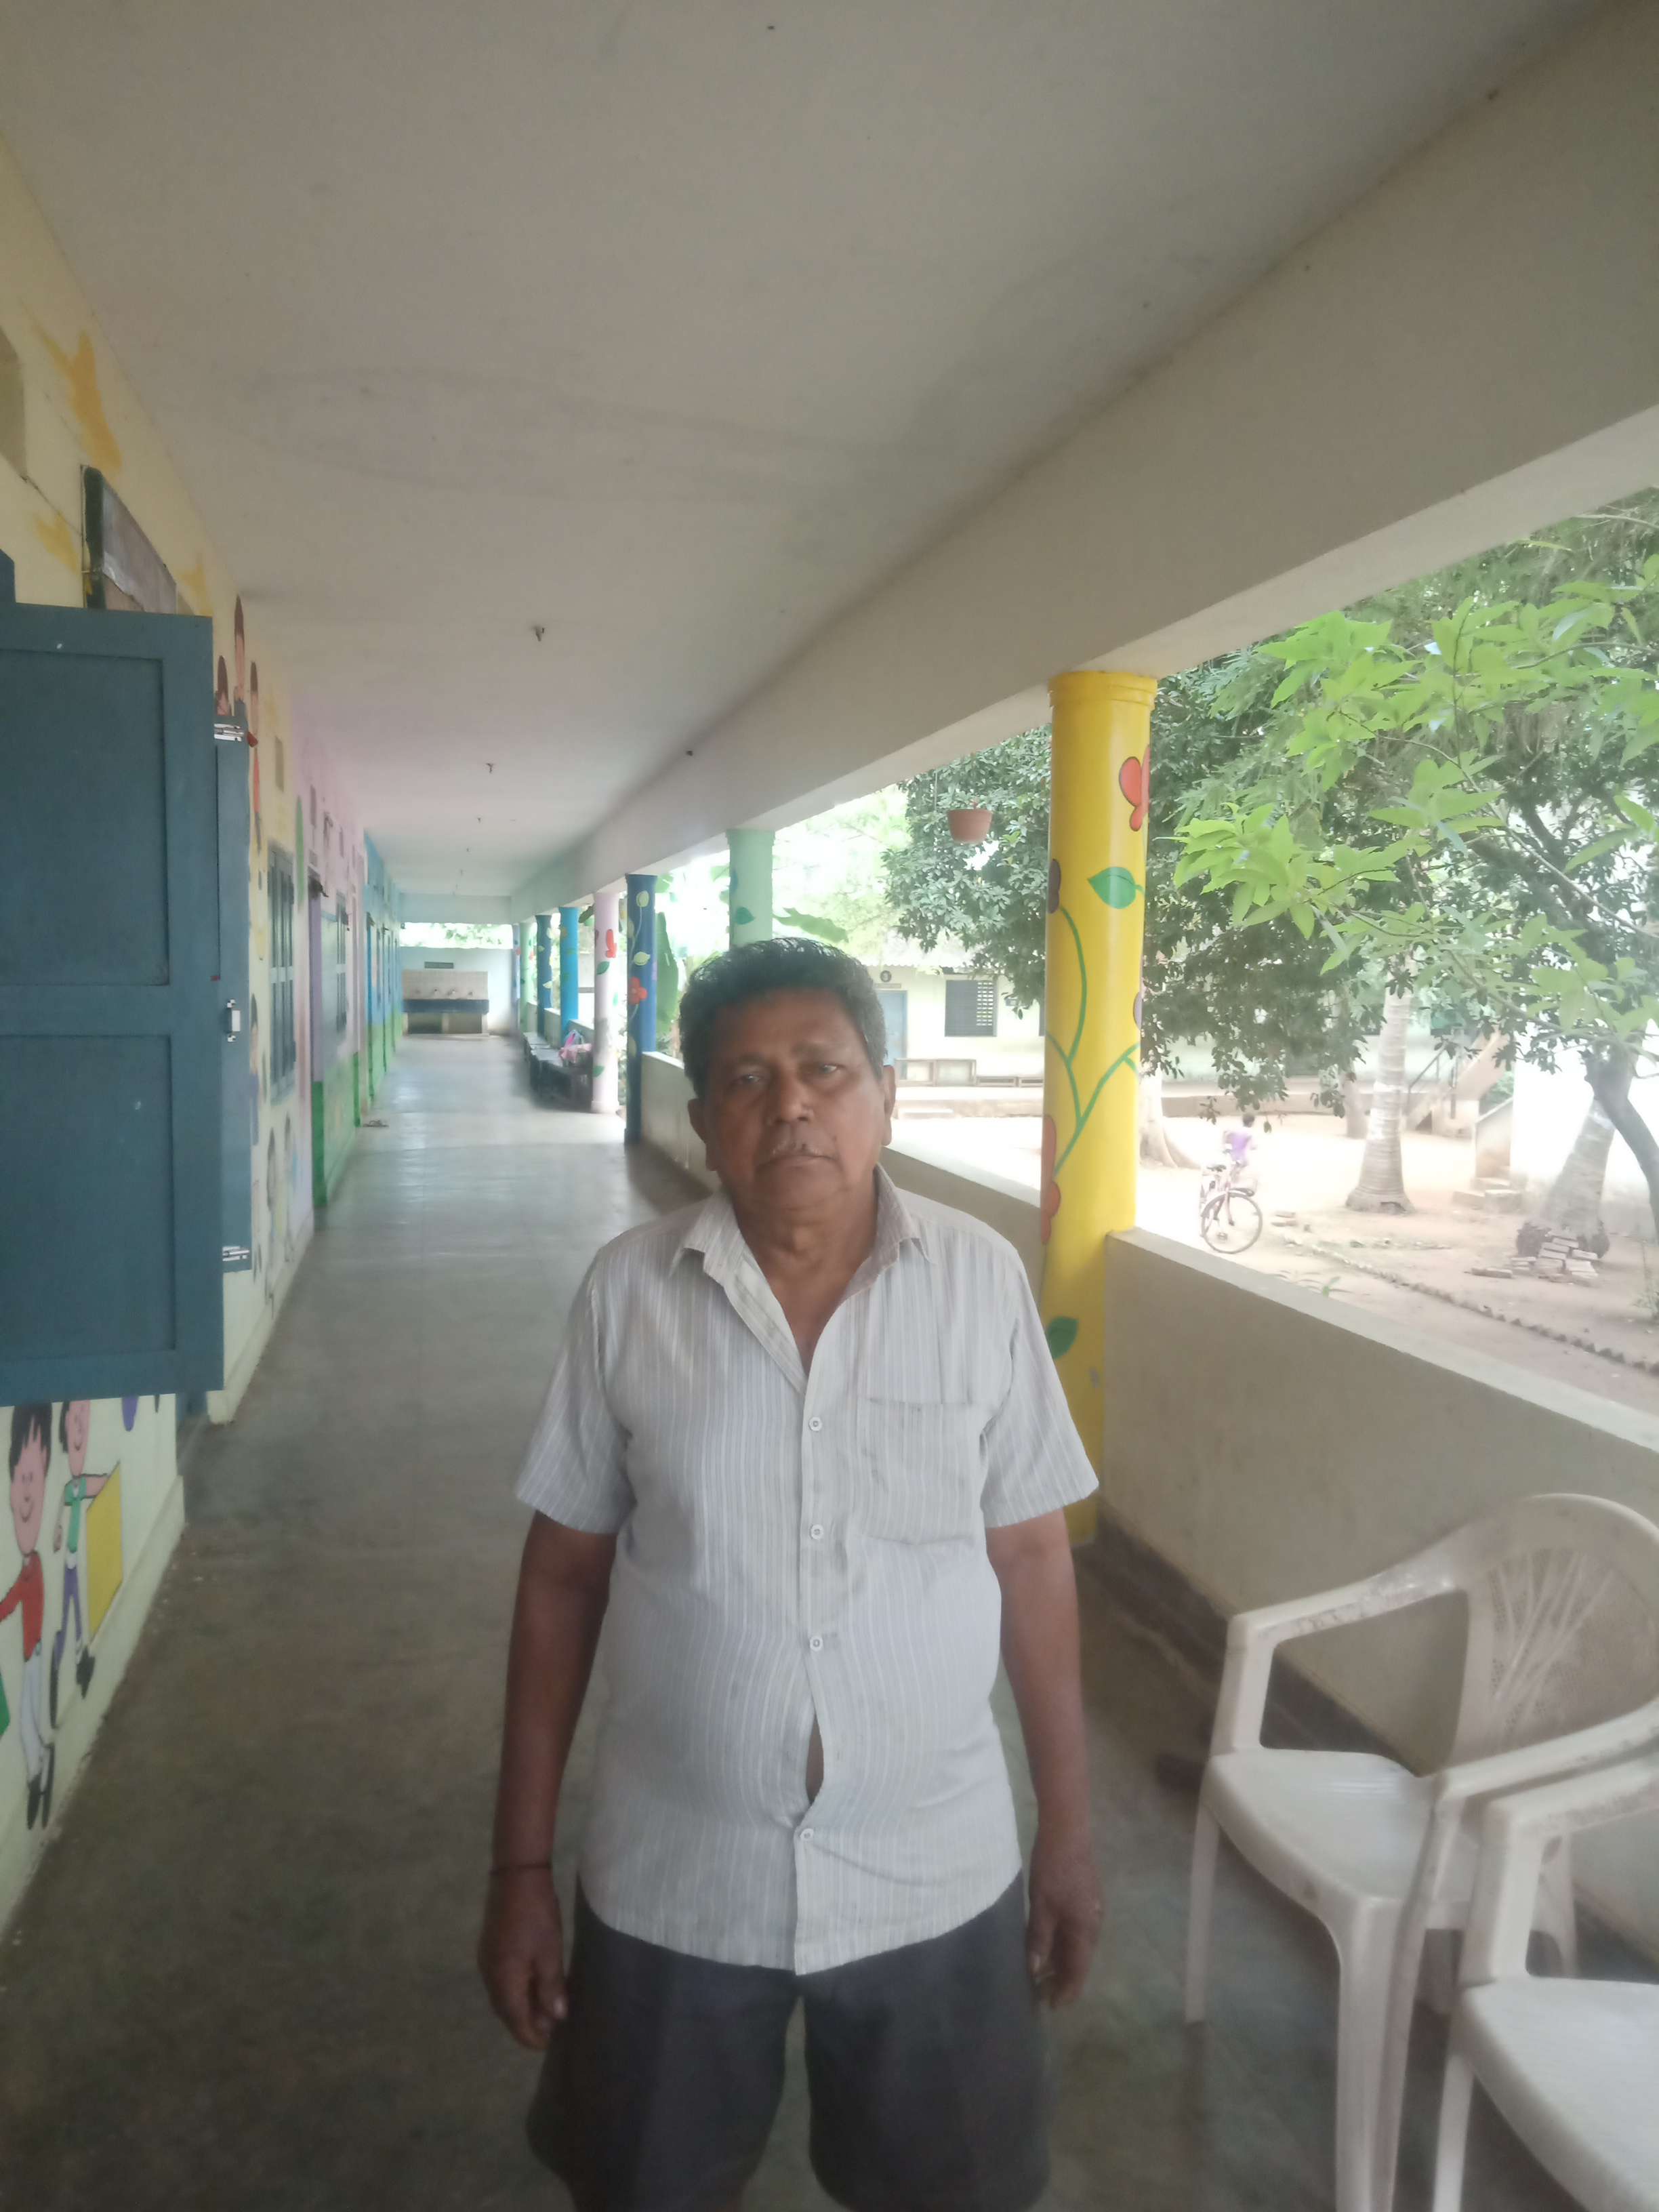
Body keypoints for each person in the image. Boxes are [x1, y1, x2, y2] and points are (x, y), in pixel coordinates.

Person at [480, 937, 1103, 2212]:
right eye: (748, 1079)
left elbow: (1032, 1554)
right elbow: (561, 1582)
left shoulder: (980, 1281)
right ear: (704, 1122)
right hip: (677, 1874)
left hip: (934, 1867)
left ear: (886, 1095)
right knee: (648, 2184)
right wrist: (519, 1869)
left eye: (825, 1069)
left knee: (951, 2190)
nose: (791, 1107)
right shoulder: (628, 1294)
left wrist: (1070, 1832)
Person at [2, 1405, 56, 1829]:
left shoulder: (31, 1570)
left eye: (33, 1479)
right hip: (31, 1654)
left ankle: (38, 1770)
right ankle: (42, 1762)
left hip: (33, 1654)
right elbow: (9, 1605)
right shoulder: (28, 1569)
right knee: (30, 1721)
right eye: (20, 1478)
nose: (25, 1493)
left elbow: (10, 1605)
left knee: (24, 1722)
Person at [49, 1399, 112, 1723]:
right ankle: (65, 1660)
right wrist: (57, 1530)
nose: (80, 1433)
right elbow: (61, 1508)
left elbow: (100, 1484)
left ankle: (74, 1657)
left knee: (73, 1611)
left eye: (83, 1424)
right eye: (75, 1422)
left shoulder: (80, 1485)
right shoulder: (70, 1489)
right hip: (70, 1564)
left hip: (72, 1564)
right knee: (69, 1612)